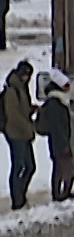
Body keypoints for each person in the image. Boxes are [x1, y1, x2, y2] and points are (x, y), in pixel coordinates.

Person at [37, 70, 74, 202]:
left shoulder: (58, 101)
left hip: (59, 141)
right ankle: (59, 194)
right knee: (63, 168)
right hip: (59, 142)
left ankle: (61, 193)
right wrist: (64, 144)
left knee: (61, 167)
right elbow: (58, 127)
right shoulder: (56, 103)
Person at [2, 62, 32, 210]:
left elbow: (23, 110)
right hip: (15, 133)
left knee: (30, 166)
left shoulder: (22, 88)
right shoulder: (12, 90)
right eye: (25, 74)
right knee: (19, 166)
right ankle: (17, 200)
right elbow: (13, 115)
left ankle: (20, 194)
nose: (27, 78)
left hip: (24, 133)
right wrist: (28, 128)